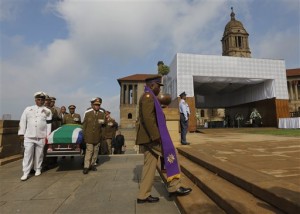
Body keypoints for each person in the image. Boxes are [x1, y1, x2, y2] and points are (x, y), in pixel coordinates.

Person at [136, 76, 192, 204]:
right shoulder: (148, 97)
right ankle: (174, 187)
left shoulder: (149, 97)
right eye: (158, 86)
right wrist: (156, 136)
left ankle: (143, 195)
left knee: (150, 165)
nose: (159, 89)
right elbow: (148, 118)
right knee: (172, 154)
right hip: (152, 138)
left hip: (147, 137)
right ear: (152, 85)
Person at [18, 91, 52, 181]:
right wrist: (21, 133)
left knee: (39, 154)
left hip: (41, 136)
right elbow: (23, 121)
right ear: (35, 100)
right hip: (29, 136)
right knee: (27, 154)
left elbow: (49, 124)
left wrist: (47, 136)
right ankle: (25, 172)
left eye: (42, 100)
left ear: (44, 101)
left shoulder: (48, 111)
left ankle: (37, 168)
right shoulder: (28, 109)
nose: (40, 101)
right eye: (38, 99)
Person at [82, 99, 106, 174]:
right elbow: (84, 126)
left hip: (97, 136)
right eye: (96, 105)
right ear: (92, 105)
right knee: (89, 151)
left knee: (95, 152)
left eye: (98, 105)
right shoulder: (88, 114)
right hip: (89, 136)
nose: (97, 106)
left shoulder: (102, 114)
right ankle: (86, 166)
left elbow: (103, 126)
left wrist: (102, 135)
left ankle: (93, 164)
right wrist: (84, 135)